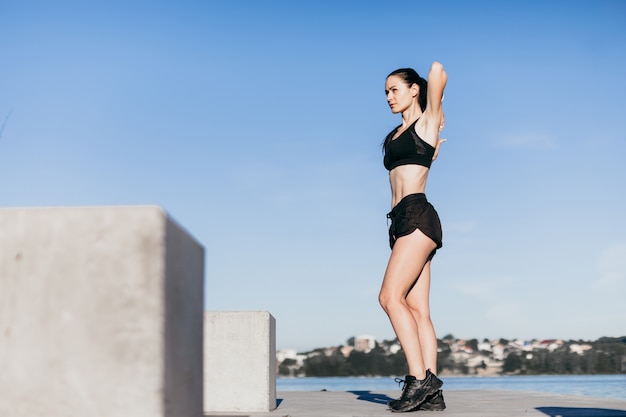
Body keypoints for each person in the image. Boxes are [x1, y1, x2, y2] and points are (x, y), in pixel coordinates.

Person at [379, 62, 447, 413]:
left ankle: (419, 380)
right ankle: (432, 393)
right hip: (400, 221)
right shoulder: (393, 135)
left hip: (418, 216)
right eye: (386, 92)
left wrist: (437, 107)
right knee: (418, 308)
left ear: (413, 90)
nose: (389, 97)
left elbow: (437, 70)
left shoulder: (428, 121)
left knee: (390, 297)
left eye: (394, 89)